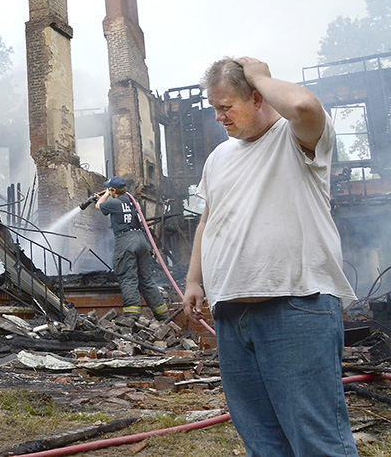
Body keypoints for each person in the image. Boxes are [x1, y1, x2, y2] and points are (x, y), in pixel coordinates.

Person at [182, 56, 358, 456]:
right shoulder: (219, 158)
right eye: (215, 109)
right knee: (262, 442)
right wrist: (195, 281)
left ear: (258, 97)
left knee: (318, 441)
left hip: (297, 307)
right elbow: (208, 220)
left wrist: (259, 74)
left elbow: (305, 106)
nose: (219, 118)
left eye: (226, 107)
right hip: (232, 316)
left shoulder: (296, 137)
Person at [95, 176, 169, 321]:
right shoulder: (133, 202)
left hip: (126, 241)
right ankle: (163, 315)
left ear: (113, 190)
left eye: (109, 189)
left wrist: (105, 195)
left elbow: (99, 206)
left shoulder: (114, 202)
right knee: (146, 280)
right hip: (141, 240)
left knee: (128, 278)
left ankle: (132, 317)